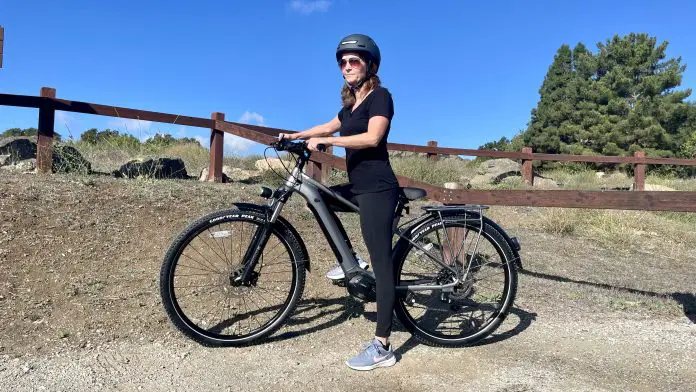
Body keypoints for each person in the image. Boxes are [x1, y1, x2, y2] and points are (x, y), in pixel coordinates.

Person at [279, 33, 399, 370]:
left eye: (354, 61)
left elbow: (374, 136)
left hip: (378, 189)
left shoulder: (380, 97)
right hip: (358, 187)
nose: (347, 66)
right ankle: (353, 262)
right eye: (343, 62)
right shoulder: (350, 106)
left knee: (384, 266)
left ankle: (383, 346)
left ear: (370, 65)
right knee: (316, 199)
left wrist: (326, 140)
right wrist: (295, 135)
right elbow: (327, 126)